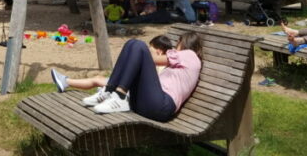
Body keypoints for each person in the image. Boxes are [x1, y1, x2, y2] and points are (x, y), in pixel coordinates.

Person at [50, 32, 203, 120]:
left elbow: (153, 60)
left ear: (185, 43)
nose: (176, 46)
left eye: (178, 42)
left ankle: (119, 95)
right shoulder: (186, 63)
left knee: (139, 46)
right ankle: (110, 91)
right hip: (149, 103)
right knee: (132, 43)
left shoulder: (189, 55)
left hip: (161, 105)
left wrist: (143, 53)